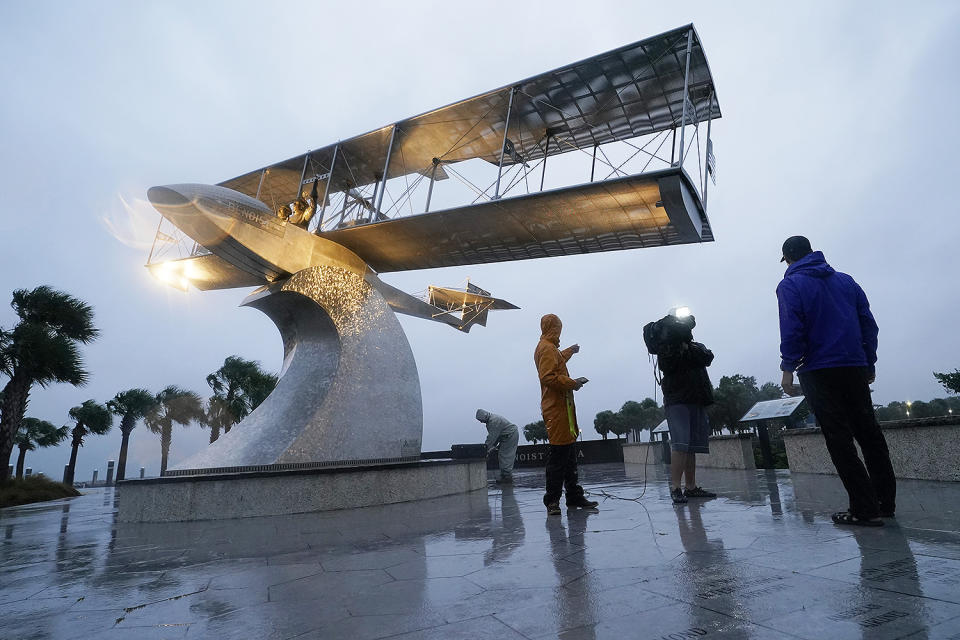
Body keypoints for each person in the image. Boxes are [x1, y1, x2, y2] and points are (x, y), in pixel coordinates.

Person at [777, 235, 896, 527]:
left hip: (817, 370)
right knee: (870, 434)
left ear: (788, 258)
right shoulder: (846, 281)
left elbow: (792, 328)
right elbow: (868, 323)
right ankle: (884, 503)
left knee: (839, 439)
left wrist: (788, 366)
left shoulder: (790, 285)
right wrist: (869, 361)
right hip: (854, 365)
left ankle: (864, 509)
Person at [534, 314, 598, 515]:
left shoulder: (550, 348)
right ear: (553, 328)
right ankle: (552, 501)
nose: (560, 333)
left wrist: (571, 350)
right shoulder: (546, 348)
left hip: (563, 410)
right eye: (558, 329)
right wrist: (574, 383)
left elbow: (558, 359)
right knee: (558, 458)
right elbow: (548, 377)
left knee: (569, 457)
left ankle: (574, 496)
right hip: (556, 410)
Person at [653, 311, 717, 504]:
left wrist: (687, 346)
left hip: (696, 399)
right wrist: (677, 345)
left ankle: (691, 487)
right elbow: (669, 365)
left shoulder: (695, 347)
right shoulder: (666, 349)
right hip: (677, 401)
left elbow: (708, 357)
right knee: (680, 445)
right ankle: (675, 488)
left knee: (691, 446)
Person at [475, 409, 520, 484]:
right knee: (503, 455)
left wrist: (484, 449)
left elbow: (491, 438)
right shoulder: (491, 421)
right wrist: (488, 449)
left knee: (505, 455)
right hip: (506, 436)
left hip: (510, 435)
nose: (481, 422)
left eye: (480, 420)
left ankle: (507, 476)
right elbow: (495, 438)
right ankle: (505, 475)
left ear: (484, 417)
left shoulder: (494, 421)